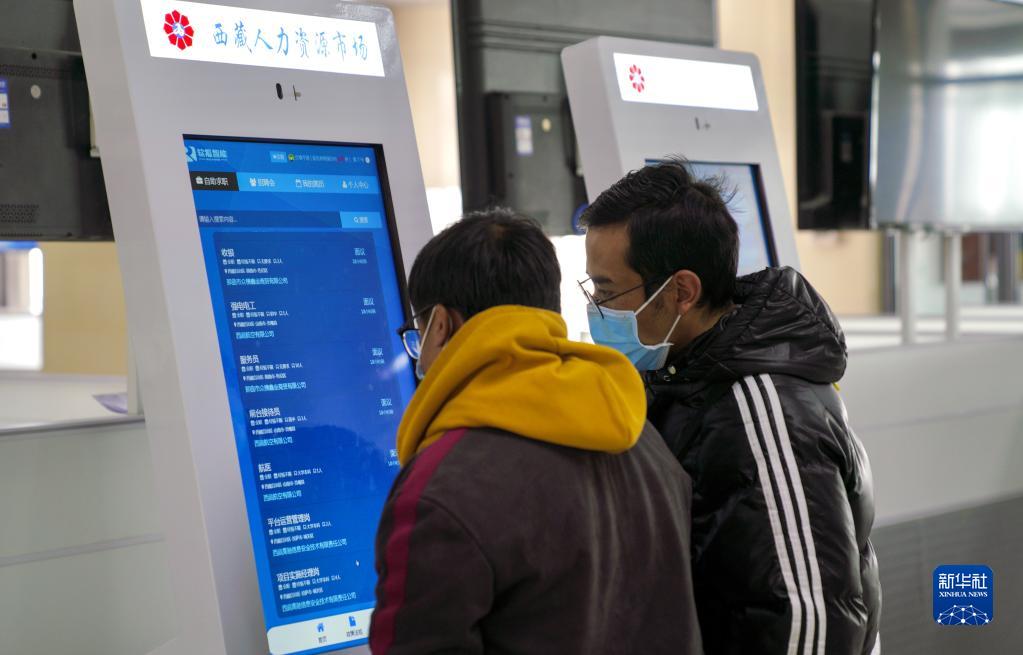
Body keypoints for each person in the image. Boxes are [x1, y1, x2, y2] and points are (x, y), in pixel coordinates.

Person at [581, 159, 881, 655]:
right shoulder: (680, 374)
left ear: (682, 292)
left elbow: (809, 626)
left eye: (609, 291)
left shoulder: (764, 413)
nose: (596, 306)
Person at [370, 209, 703, 655]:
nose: (421, 357)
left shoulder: (440, 490)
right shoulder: (642, 438)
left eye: (419, 332)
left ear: (442, 325)